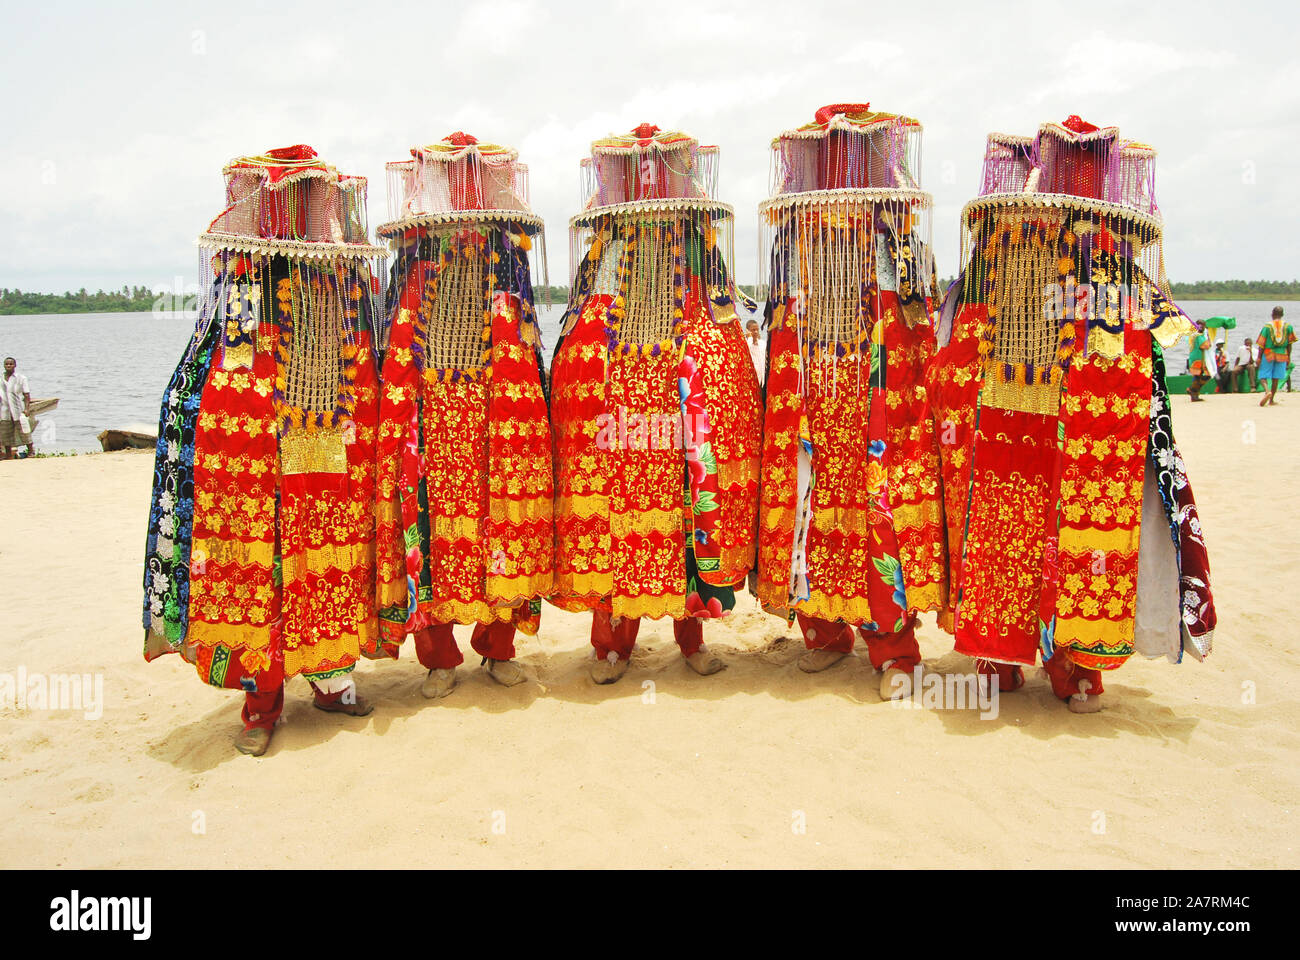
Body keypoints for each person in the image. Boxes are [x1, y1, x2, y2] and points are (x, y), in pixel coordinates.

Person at [930, 117, 1215, 714]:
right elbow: (966, 333)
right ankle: (1003, 658)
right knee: (1004, 530)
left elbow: (1138, 340)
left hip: (1073, 415)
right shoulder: (1009, 240)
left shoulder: (1107, 253)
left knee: (1067, 539)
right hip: (1009, 407)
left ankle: (1066, 663)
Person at [141, 146, 385, 756]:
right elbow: (232, 366)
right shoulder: (244, 280)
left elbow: (359, 354)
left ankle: (331, 684)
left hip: (328, 428)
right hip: (261, 444)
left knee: (328, 556)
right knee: (262, 569)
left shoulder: (337, 278)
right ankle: (262, 703)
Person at [549, 124, 762, 684]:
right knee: (617, 516)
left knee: (692, 504)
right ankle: (612, 645)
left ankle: (691, 636)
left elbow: (722, 316)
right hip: (621, 407)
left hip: (680, 400)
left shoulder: (694, 243)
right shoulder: (607, 248)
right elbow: (578, 329)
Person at [755, 104, 947, 700]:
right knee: (812, 508)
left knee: (878, 513)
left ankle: (892, 644)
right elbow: (780, 329)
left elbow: (920, 331)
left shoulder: (897, 241)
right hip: (813, 390)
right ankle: (823, 632)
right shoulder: (795, 240)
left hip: (875, 398)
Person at [373, 134, 554, 699]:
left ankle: (498, 647)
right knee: (431, 529)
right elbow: (393, 341)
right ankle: (440, 657)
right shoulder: (414, 259)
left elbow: (527, 336)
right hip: (432, 415)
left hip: (497, 412)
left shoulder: (507, 255)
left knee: (503, 521)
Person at [1256, 306, 1296, 407]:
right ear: (1282, 315)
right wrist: (1289, 357)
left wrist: (1259, 357)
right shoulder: (1288, 326)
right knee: (1276, 378)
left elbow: (1261, 343)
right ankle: (1271, 400)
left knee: (1262, 375)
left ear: (1272, 314)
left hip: (1269, 353)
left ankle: (1267, 391)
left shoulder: (1267, 327)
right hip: (1282, 353)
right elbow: (1290, 344)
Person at [1, 357, 35, 459]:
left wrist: (27, 408)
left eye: (11, 364)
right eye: (7, 364)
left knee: (24, 430)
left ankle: (30, 451)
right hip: (4, 410)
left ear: (15, 365)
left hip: (18, 409)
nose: (9, 366)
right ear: (4, 365)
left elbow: (26, 395)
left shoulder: (21, 378)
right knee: (5, 433)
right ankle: (8, 455)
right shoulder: (1, 379)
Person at [1186, 323, 1212, 401]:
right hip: (1198, 359)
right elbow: (1206, 346)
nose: (1202, 327)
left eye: (1203, 326)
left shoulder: (1193, 335)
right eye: (1201, 325)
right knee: (1204, 376)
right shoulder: (1198, 336)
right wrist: (1209, 337)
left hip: (1195, 357)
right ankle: (1192, 390)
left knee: (1198, 376)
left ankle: (1195, 395)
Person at [745, 318, 766, 385]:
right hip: (751, 380)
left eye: (757, 330)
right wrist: (750, 338)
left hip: (762, 379)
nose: (756, 332)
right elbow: (746, 352)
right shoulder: (745, 344)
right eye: (753, 330)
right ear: (748, 331)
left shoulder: (763, 344)